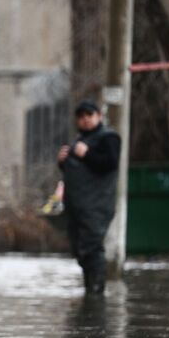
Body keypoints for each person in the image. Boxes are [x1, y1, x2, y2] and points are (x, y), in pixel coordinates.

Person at [57, 100, 121, 295]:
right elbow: (77, 171)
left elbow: (109, 163)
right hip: (76, 206)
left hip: (96, 206)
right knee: (79, 249)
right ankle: (90, 290)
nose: (85, 119)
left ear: (99, 116)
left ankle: (96, 293)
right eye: (81, 116)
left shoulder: (108, 138)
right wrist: (63, 161)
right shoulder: (78, 141)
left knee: (92, 248)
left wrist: (87, 154)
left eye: (89, 115)